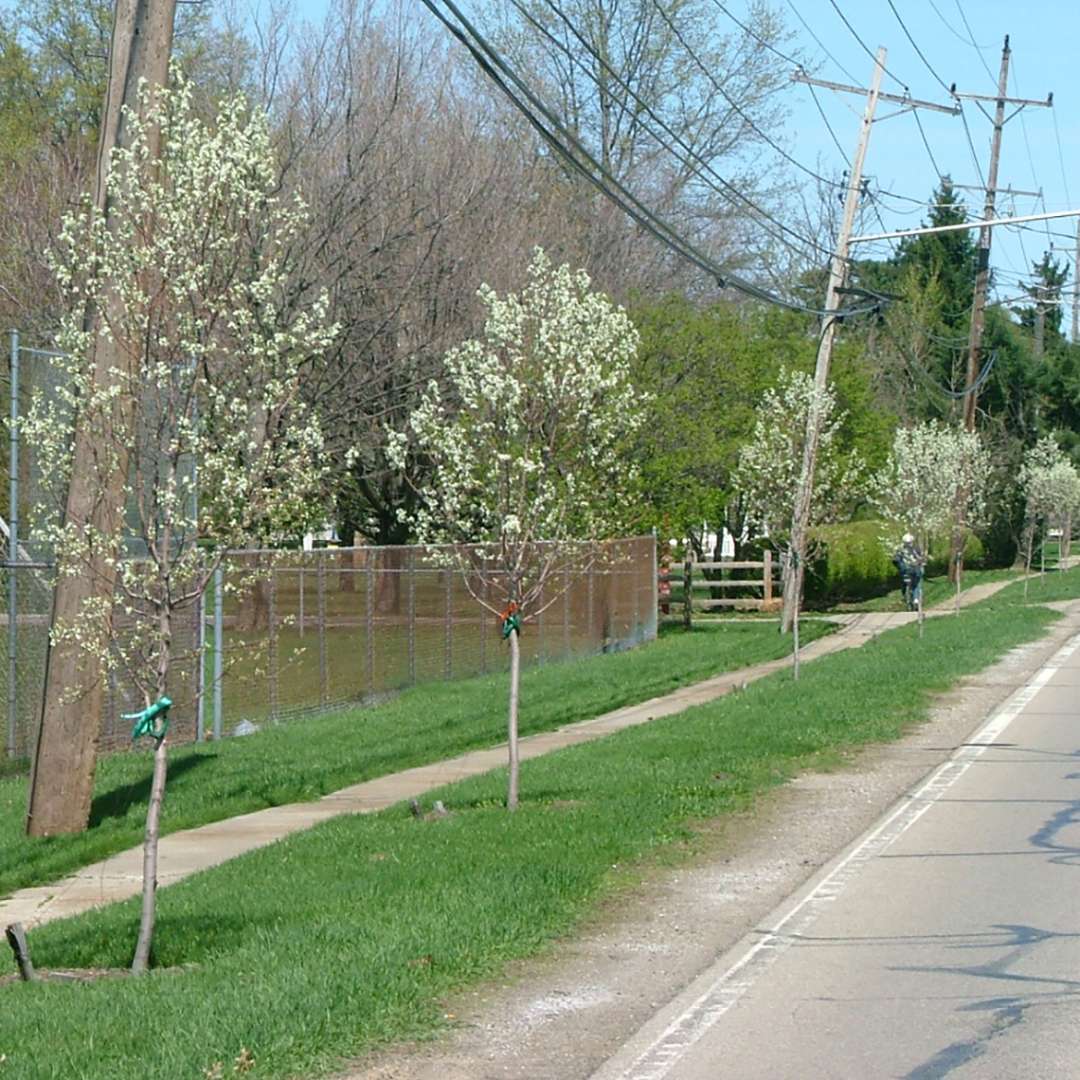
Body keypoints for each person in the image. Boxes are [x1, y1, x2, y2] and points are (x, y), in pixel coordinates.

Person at [892, 533, 925, 611]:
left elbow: (895, 560)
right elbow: (920, 559)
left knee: (905, 583)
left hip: (905, 571)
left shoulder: (900, 550)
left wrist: (899, 566)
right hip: (914, 571)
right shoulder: (916, 549)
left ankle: (906, 597)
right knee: (916, 584)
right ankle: (916, 599)